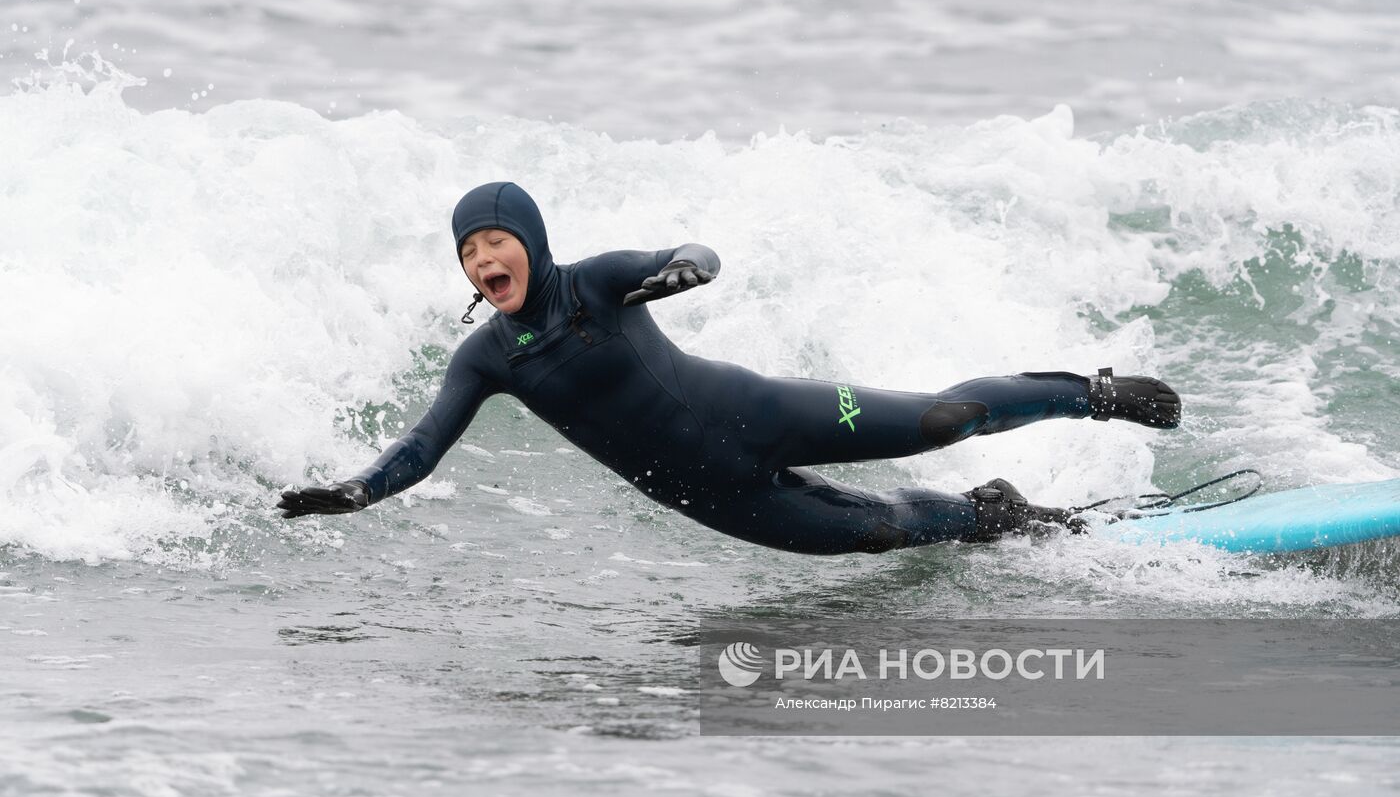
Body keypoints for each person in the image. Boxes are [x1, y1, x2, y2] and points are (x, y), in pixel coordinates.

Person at [277, 182, 1181, 553]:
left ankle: (1091, 395)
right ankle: (1001, 515)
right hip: (712, 497)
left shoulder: (594, 282)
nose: (482, 262)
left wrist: (684, 272)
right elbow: (425, 446)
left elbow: (691, 249)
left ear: (531, 241)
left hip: (760, 415)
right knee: (890, 530)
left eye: (495, 242)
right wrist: (356, 493)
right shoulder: (485, 359)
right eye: (468, 253)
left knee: (942, 417)